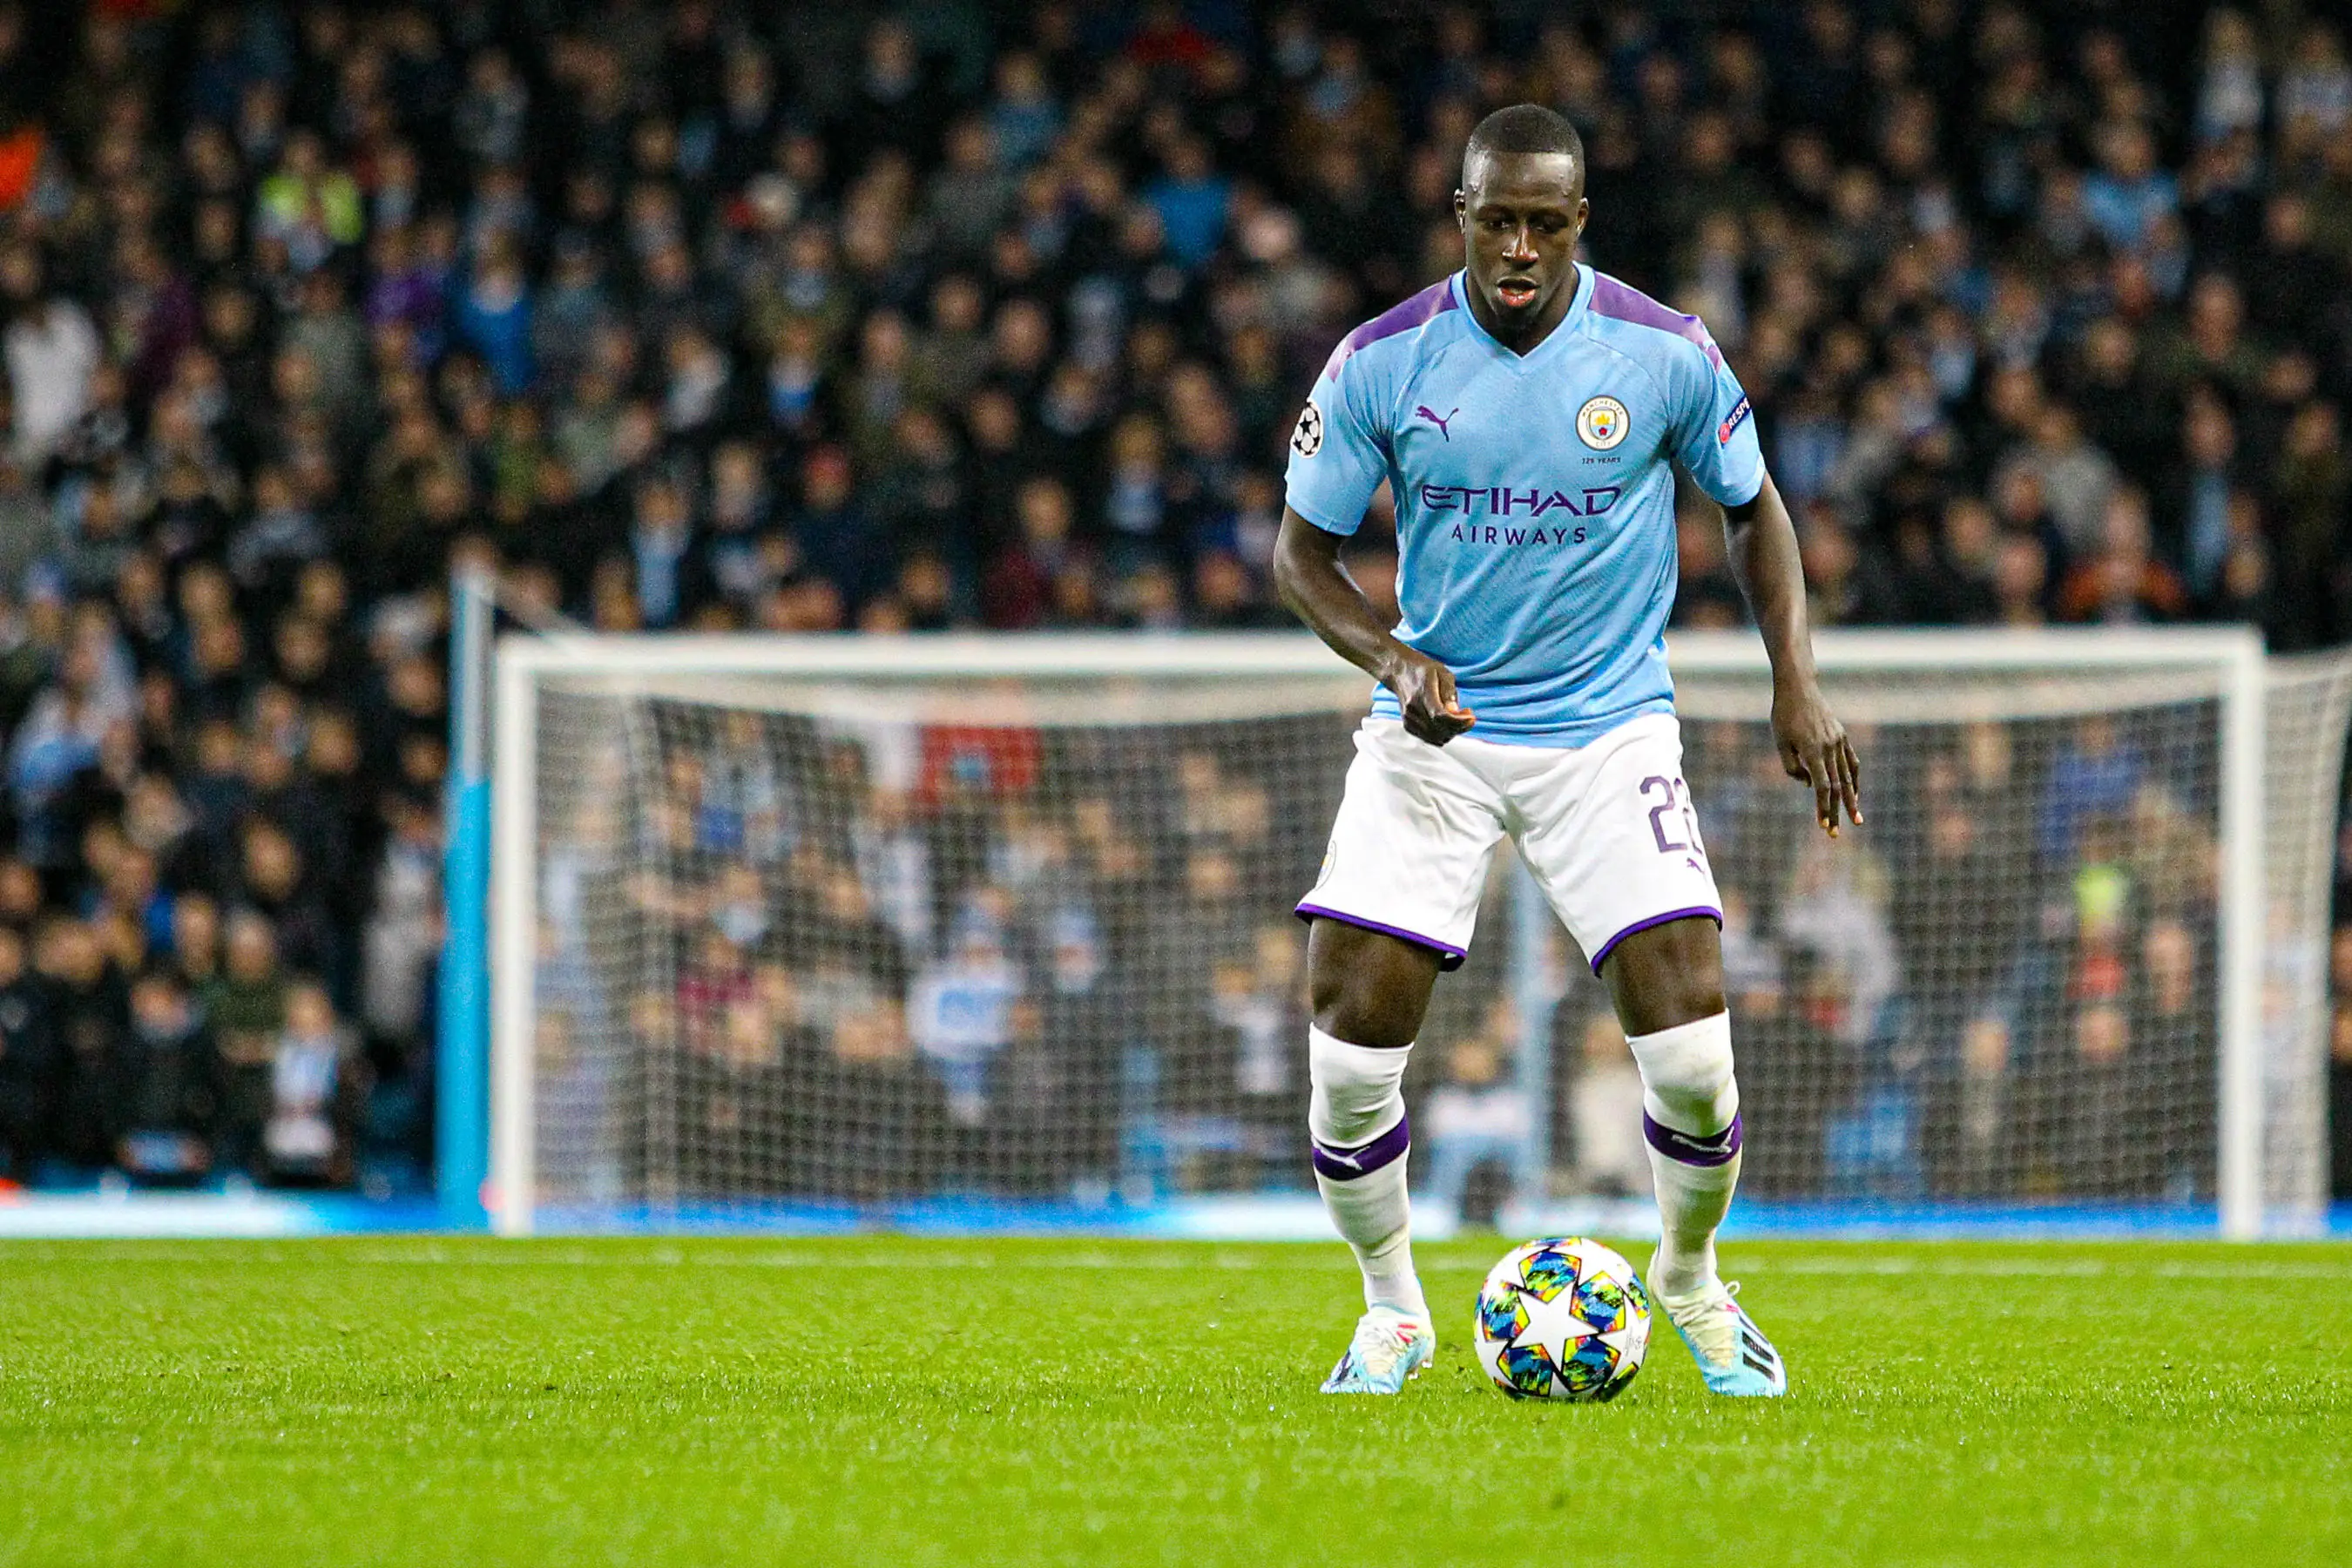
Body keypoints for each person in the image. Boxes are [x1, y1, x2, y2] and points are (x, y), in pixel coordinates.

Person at [1272, 105, 1859, 1396]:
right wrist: (1392, 660)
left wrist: (1797, 683)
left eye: (1546, 222)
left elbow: (1753, 509)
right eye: (1499, 220)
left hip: (1607, 729)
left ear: (1580, 221)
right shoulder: (1380, 362)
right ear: (1462, 217)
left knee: (1693, 1059)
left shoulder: (1664, 353)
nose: (1521, 247)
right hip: (1437, 731)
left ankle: (1692, 1279)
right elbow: (1300, 557)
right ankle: (1392, 1310)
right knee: (1349, 1052)